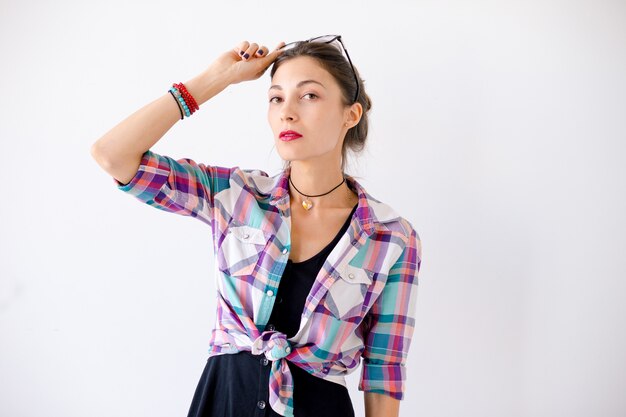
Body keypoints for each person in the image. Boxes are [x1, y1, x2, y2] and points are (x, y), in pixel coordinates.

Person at [91, 35, 422, 417]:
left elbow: (384, 369)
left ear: (351, 114)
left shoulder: (390, 237)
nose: (287, 112)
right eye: (276, 98)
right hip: (224, 402)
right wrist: (216, 78)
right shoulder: (235, 195)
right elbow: (113, 155)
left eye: (309, 96)